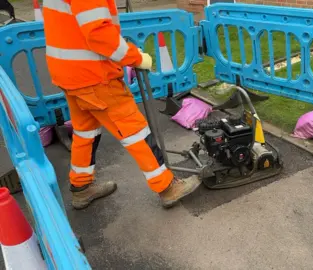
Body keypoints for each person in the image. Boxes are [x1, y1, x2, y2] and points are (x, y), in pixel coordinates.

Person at [42, 0, 201, 209]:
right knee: (135, 132)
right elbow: (99, 32)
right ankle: (167, 186)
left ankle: (81, 188)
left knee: (85, 132)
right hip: (95, 76)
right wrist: (134, 57)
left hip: (70, 74)